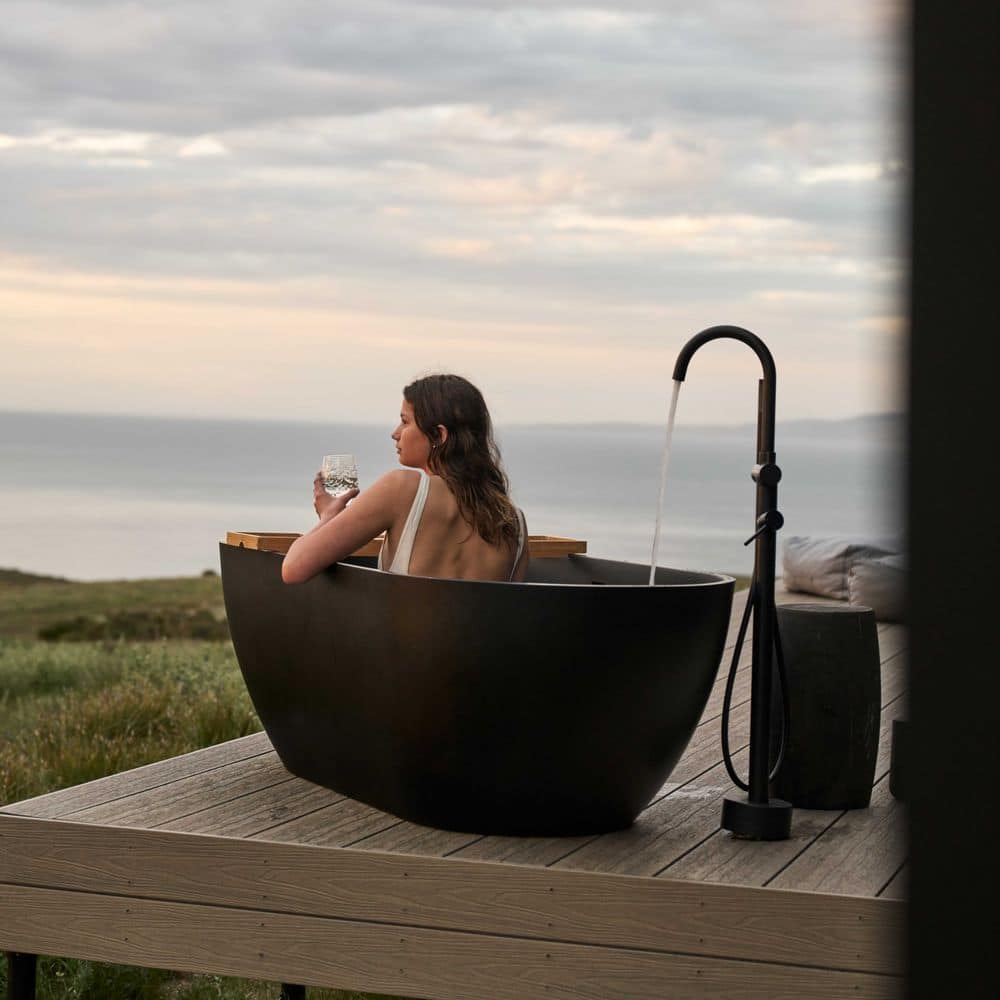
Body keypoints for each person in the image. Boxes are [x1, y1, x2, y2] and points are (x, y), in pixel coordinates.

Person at [281, 373, 529, 585]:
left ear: (438, 436)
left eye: (404, 421)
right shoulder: (514, 521)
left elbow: (293, 569)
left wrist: (328, 516)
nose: (395, 434)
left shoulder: (402, 488)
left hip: (402, 643)